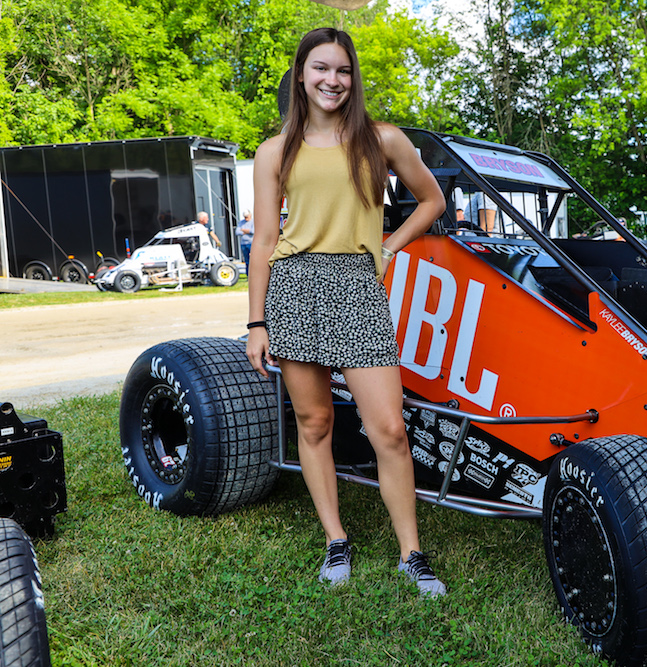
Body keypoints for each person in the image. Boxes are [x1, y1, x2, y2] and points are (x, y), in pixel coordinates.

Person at [246, 28, 447, 597]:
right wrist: (257, 322)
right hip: (294, 287)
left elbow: (432, 200)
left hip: (358, 287)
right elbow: (263, 241)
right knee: (315, 424)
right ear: (301, 75)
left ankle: (412, 554)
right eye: (320, 69)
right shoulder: (274, 151)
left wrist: (388, 247)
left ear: (353, 78)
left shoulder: (381, 140)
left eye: (342, 70)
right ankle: (336, 538)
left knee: (389, 429)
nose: (332, 80)